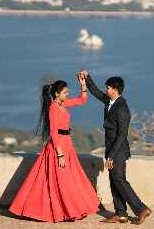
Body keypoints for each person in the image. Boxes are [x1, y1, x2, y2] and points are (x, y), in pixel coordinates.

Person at [8, 77, 99, 222]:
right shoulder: (53, 109)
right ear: (57, 94)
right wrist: (60, 154)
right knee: (62, 181)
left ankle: (70, 210)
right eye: (65, 92)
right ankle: (66, 211)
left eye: (67, 92)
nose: (67, 94)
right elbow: (54, 133)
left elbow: (81, 100)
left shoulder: (62, 104)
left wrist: (83, 85)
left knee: (68, 180)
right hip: (59, 148)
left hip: (67, 144)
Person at [80, 70, 152, 225]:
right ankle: (121, 214)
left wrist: (111, 156)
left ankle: (141, 209)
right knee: (114, 181)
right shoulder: (110, 101)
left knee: (119, 181)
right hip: (112, 150)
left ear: (115, 90)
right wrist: (87, 79)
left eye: (108, 88)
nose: (106, 90)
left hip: (118, 152)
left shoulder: (122, 109)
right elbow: (97, 93)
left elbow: (122, 136)